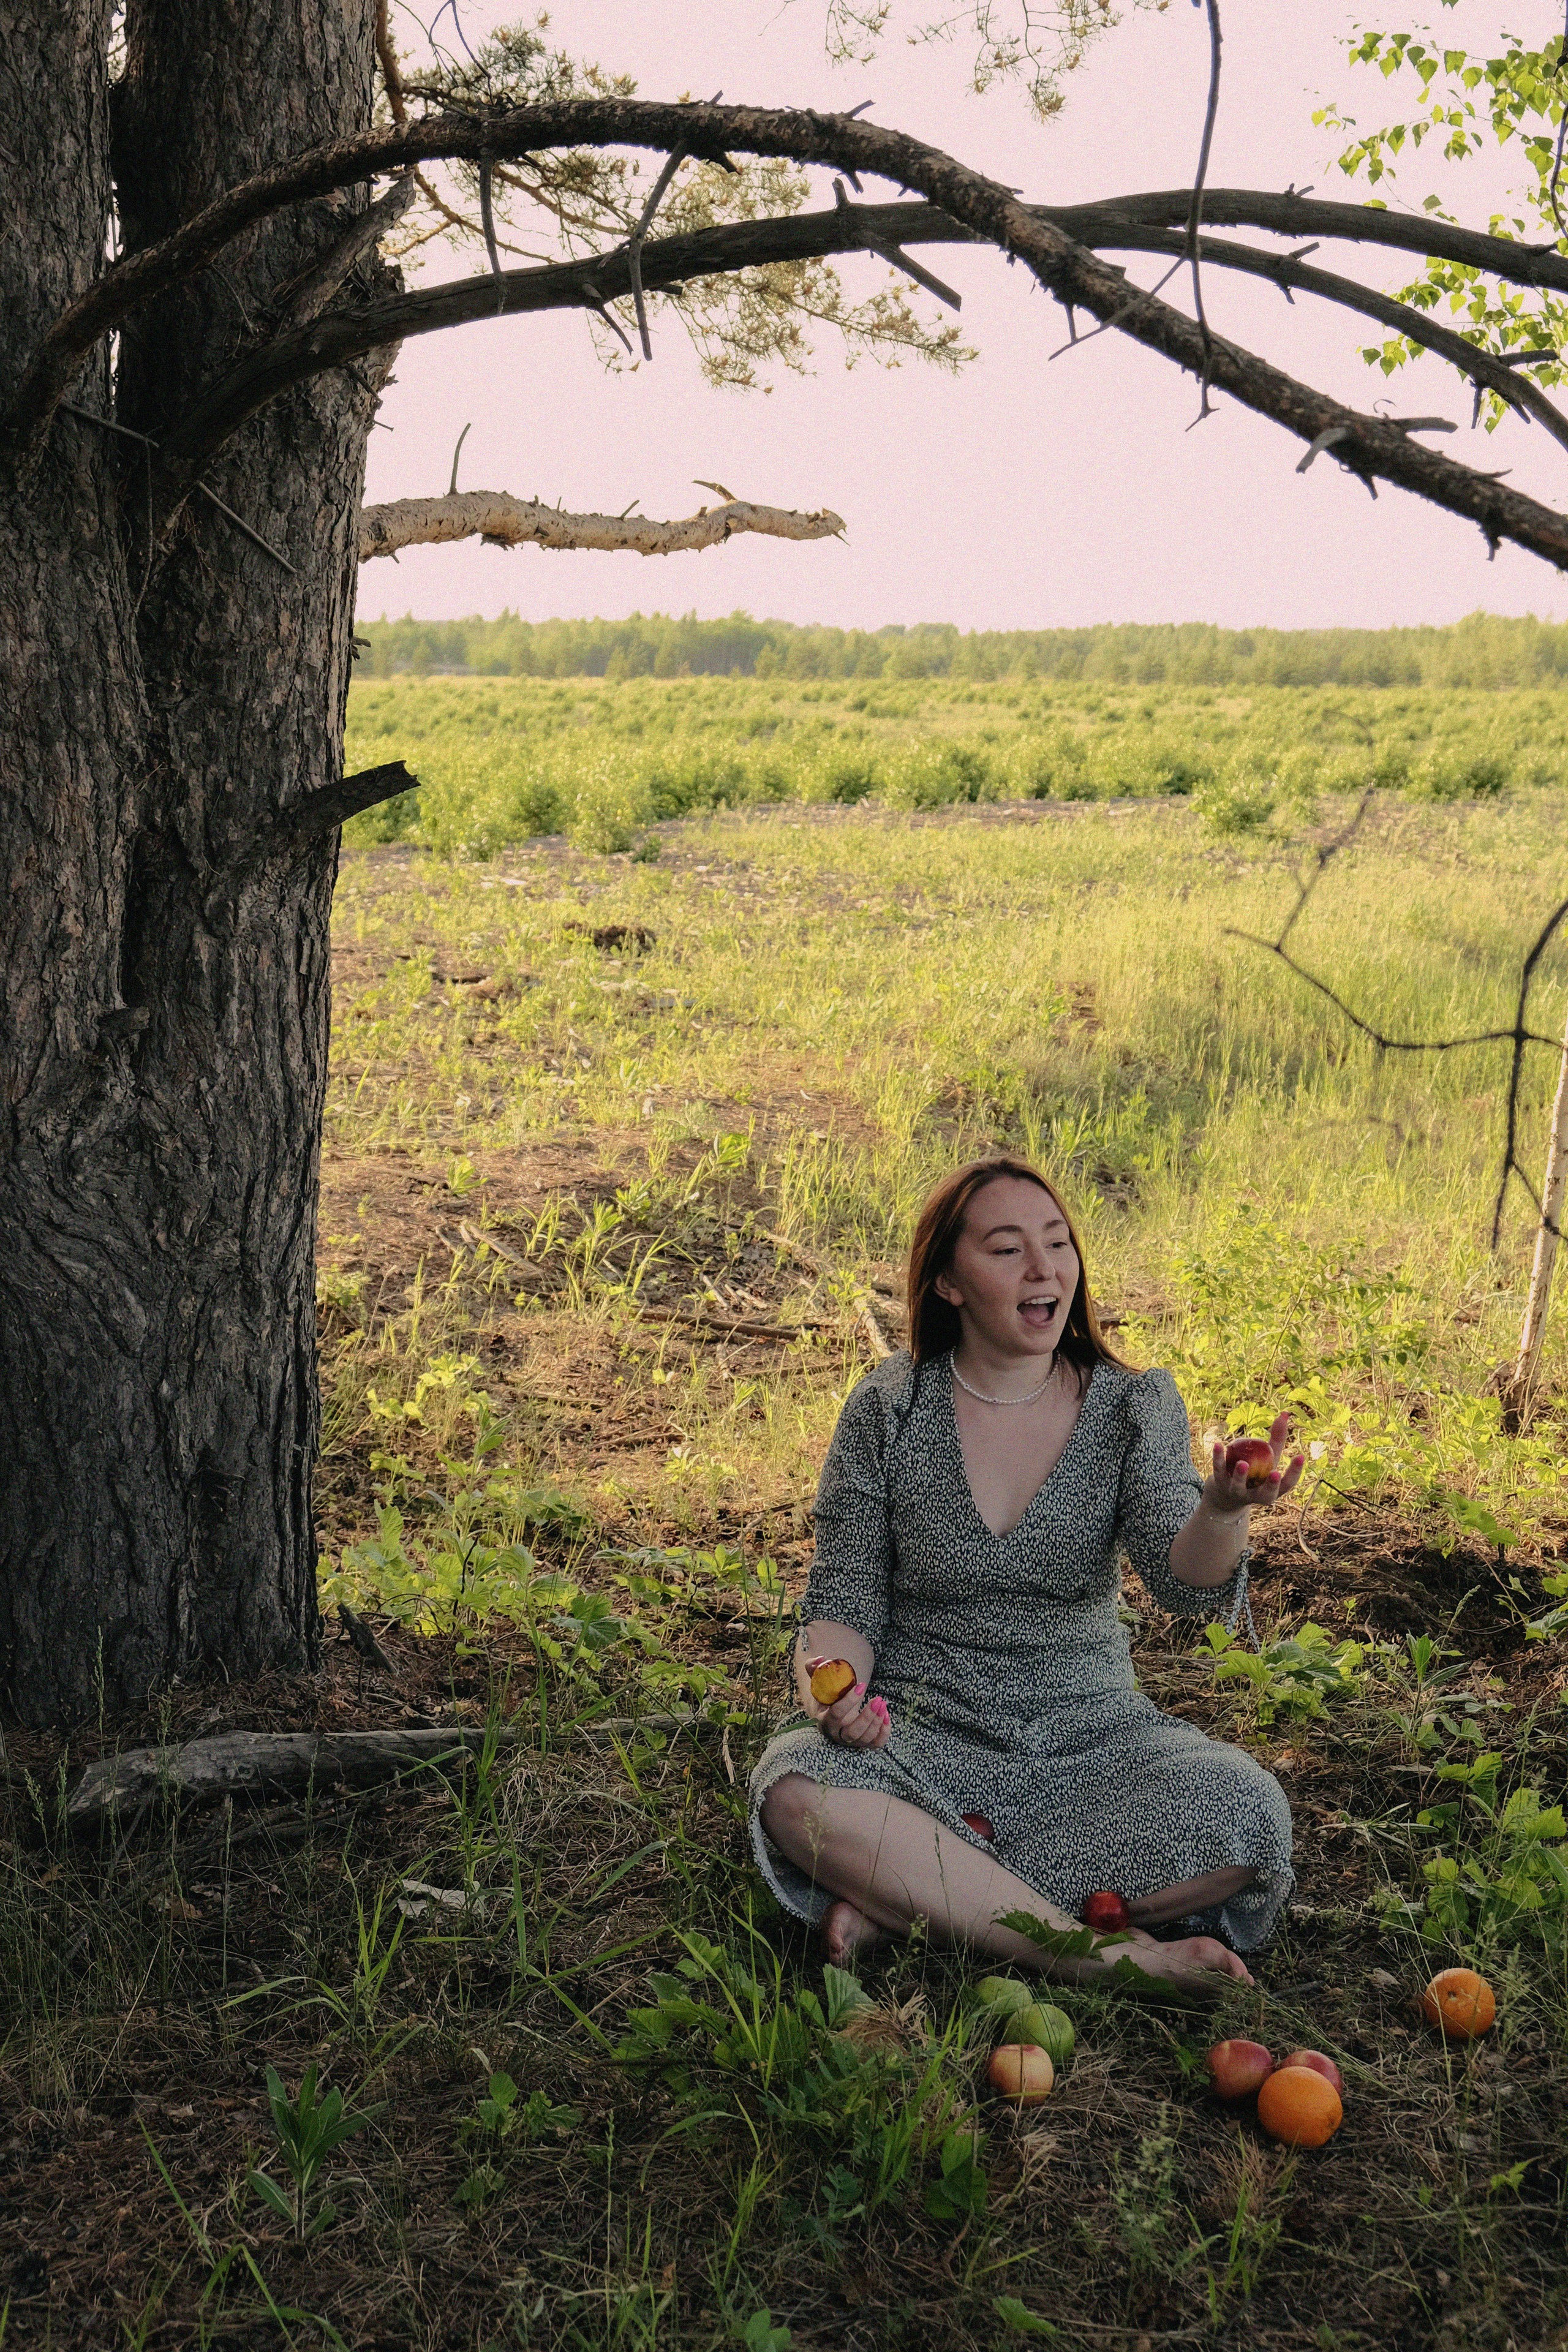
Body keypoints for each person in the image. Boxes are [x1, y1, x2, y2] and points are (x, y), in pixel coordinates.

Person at [751, 1155, 1304, 1997]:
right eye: (1009, 1250)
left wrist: (1223, 1509)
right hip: (923, 1742)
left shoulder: (1132, 1405)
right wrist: (838, 1697)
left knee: (1248, 1813)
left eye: (1058, 1244)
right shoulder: (889, 1409)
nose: (1046, 1269)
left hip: (1094, 1744)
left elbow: (1186, 1584)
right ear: (947, 1283)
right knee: (794, 1790)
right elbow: (842, 1603)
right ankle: (1097, 1953)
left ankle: (912, 1900)